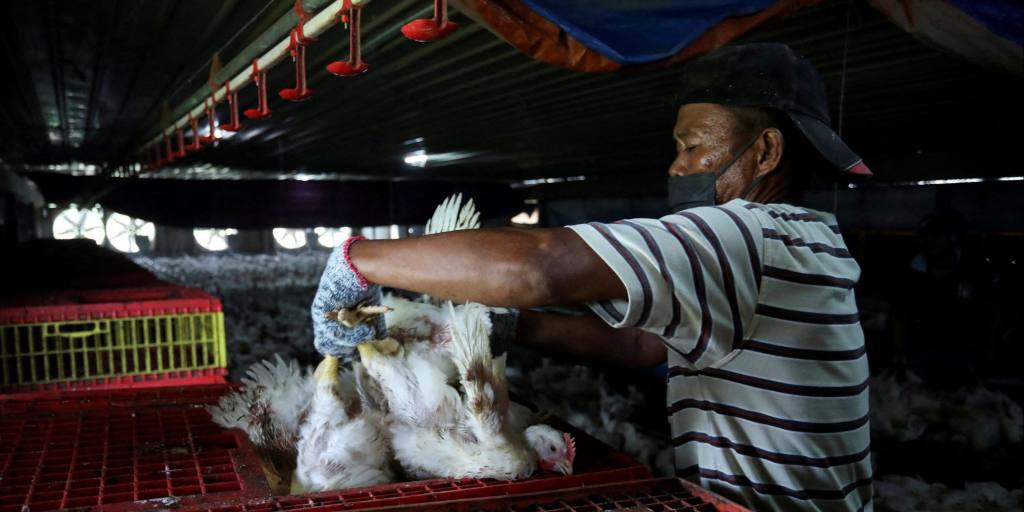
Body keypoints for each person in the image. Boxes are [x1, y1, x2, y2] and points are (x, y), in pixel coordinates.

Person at [311, 43, 873, 512]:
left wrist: (358, 259)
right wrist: (506, 327)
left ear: (766, 151)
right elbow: (643, 344)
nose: (676, 166)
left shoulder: (745, 236)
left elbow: (536, 266)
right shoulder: (800, 239)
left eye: (694, 146)